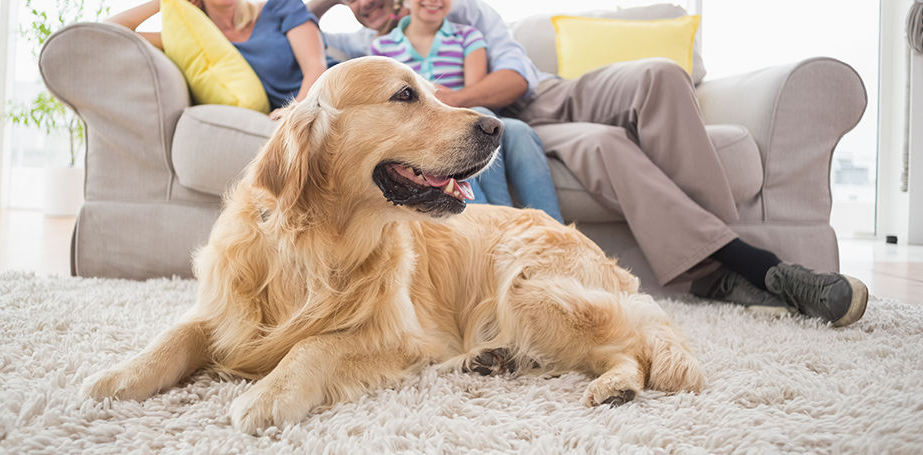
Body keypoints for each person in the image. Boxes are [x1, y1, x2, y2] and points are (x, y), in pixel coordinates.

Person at [308, 0, 870, 327]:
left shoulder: (462, 12)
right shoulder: (367, 40)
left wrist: (452, 103)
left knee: (660, 74)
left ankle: (726, 266)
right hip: (519, 131)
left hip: (546, 96)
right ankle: (756, 268)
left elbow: (518, 77)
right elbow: (309, 55)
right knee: (605, 148)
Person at [368, 0, 563, 222]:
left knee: (519, 131)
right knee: (491, 127)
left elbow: (474, 93)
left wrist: (449, 102)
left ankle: (553, 225)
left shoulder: (468, 36)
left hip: (468, 113)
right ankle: (498, 224)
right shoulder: (382, 47)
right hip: (429, 129)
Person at [107, 0, 332, 120]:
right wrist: (165, 1)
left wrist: (295, 111)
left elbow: (316, 66)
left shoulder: (279, 6)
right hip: (285, 118)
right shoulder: (198, 41)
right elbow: (109, 33)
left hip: (328, 94)